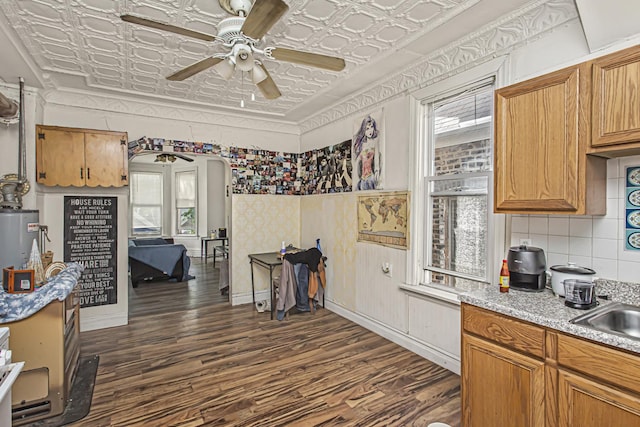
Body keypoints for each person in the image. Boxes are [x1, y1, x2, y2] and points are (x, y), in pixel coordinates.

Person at [353, 115, 381, 190]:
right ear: (363, 130)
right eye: (367, 128)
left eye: (371, 127)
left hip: (371, 177)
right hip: (362, 179)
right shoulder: (361, 145)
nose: (370, 131)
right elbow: (357, 163)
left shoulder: (375, 143)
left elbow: (377, 158)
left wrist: (377, 170)